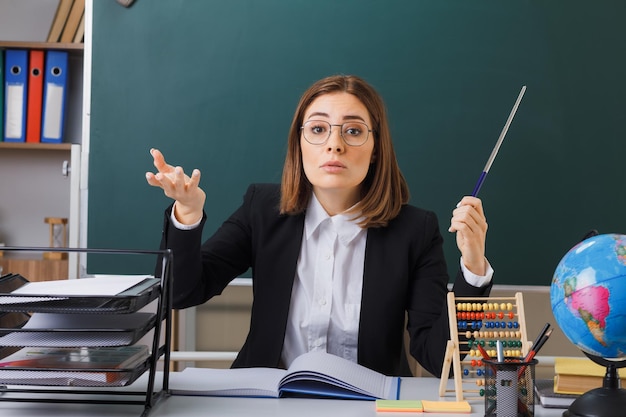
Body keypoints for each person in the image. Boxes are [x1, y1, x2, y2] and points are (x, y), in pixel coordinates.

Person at [145, 74, 493, 377]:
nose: (334, 144)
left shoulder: (415, 231)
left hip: (369, 405)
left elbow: (436, 356)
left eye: (354, 131)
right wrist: (187, 214)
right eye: (318, 128)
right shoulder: (262, 209)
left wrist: (474, 267)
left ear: (375, 149)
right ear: (300, 143)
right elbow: (181, 292)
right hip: (266, 400)